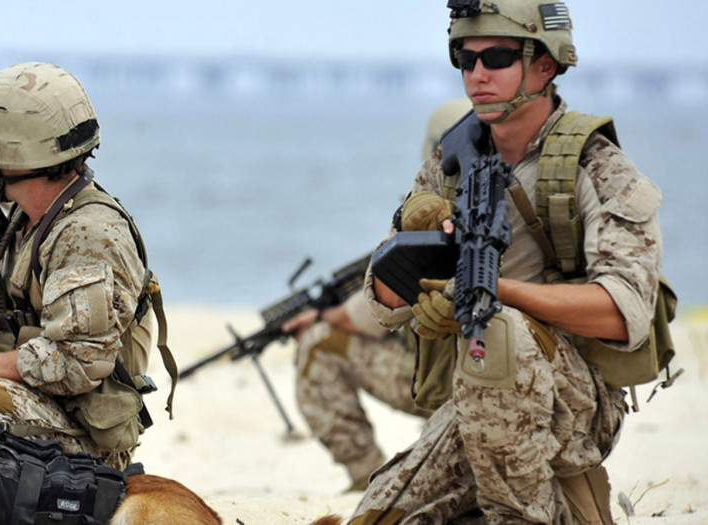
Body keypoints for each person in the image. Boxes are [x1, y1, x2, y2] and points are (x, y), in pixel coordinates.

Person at [352, 1, 663, 523]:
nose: (477, 76)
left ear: (546, 64)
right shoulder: (452, 160)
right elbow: (382, 305)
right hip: (473, 389)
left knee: (497, 330)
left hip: (575, 399)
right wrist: (419, 235)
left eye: (496, 57)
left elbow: (624, 312)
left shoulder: (594, 164)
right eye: (464, 59)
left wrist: (498, 290)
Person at [0, 61, 171, 472]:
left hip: (82, 435)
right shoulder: (27, 218)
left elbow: (76, 364)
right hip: (45, 406)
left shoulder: (87, 235)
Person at [280, 98, 469, 493]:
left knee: (318, 346)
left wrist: (320, 318)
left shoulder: (429, 212)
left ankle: (365, 477)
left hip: (451, 382)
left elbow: (372, 313)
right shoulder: (511, 197)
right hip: (510, 373)